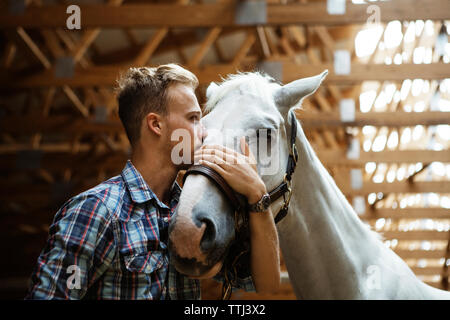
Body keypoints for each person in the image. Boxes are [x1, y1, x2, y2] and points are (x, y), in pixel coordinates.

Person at [25, 64, 280, 299]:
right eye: (193, 118)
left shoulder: (192, 213)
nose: (205, 132)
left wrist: (258, 195)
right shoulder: (95, 210)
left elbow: (266, 286)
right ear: (156, 124)